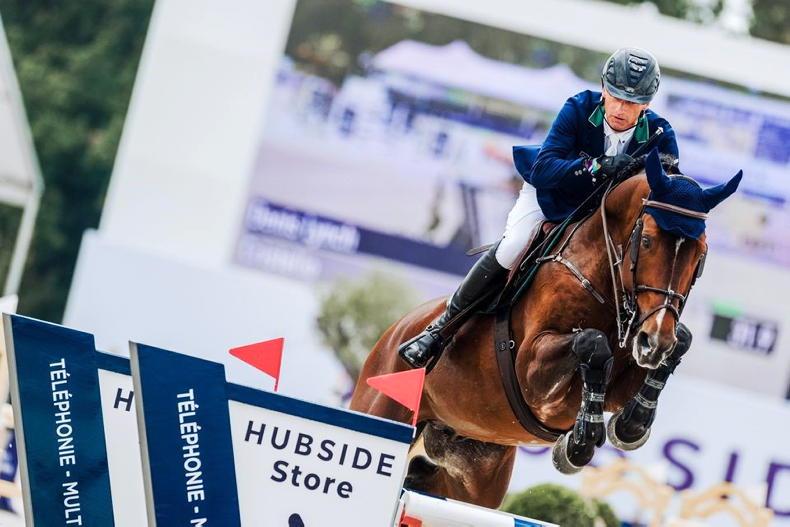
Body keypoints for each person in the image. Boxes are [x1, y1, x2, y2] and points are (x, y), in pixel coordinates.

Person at [399, 47, 680, 368]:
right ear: (604, 88)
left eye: (631, 102)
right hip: (553, 195)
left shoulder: (661, 134)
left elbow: (670, 192)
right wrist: (596, 166)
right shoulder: (578, 108)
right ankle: (440, 329)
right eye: (615, 97)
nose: (619, 108)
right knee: (513, 244)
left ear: (646, 104)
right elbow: (546, 169)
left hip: (604, 217)